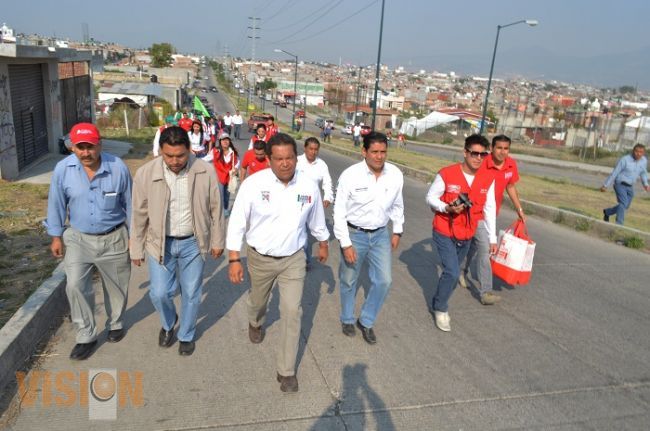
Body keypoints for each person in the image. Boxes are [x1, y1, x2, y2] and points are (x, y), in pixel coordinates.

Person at [226, 133, 329, 392]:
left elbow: (316, 220)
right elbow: (237, 221)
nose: (285, 164)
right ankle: (255, 321)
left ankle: (286, 371)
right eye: (279, 159)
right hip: (260, 258)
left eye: (290, 158)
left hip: (293, 259)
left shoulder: (307, 187)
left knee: (293, 312)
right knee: (258, 302)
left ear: (297, 158)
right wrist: (234, 258)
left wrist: (324, 241)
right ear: (269, 160)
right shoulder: (253, 185)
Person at [130, 126, 225, 356]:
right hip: (160, 243)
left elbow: (216, 208)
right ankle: (168, 321)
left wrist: (217, 240)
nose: (174, 161)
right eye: (169, 155)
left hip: (193, 242)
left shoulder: (205, 171)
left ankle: (186, 334)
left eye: (180, 155)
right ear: (161, 151)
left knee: (191, 292)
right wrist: (136, 247)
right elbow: (139, 212)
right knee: (160, 292)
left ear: (189, 150)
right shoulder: (146, 173)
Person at [45, 122, 132, 360]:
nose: (86, 152)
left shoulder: (118, 168)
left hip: (114, 237)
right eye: (80, 147)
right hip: (78, 239)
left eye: (90, 147)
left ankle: (115, 323)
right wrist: (55, 236)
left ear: (100, 145)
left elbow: (131, 203)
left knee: (117, 287)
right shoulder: (63, 169)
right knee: (74, 286)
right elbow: (56, 204)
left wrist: (134, 236)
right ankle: (86, 335)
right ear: (72, 147)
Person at [333, 132, 404, 345]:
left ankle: (366, 320)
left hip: (381, 234)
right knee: (349, 279)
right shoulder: (350, 175)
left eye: (383, 152)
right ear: (364, 152)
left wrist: (397, 230)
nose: (379, 157)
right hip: (355, 234)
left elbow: (397, 205)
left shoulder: (395, 174)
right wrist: (346, 244)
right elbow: (338, 212)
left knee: (384, 280)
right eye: (374, 152)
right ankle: (347, 318)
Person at [426, 134, 497, 332]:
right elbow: (431, 197)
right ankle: (440, 309)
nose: (478, 158)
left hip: (467, 233)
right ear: (465, 152)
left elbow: (489, 208)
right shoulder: (447, 174)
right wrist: (446, 207)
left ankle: (438, 299)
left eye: (483, 154)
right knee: (452, 271)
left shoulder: (487, 179)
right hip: (444, 229)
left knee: (451, 272)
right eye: (474, 153)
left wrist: (492, 238)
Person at [461, 134, 525, 304]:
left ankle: (461, 270)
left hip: (490, 211)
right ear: (492, 148)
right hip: (476, 212)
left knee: (474, 246)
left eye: (506, 149)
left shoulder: (511, 164)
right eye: (498, 148)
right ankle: (486, 292)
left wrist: (518, 208)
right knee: (485, 248)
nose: (502, 152)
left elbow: (510, 186)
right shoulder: (482, 163)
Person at [297, 137, 334, 266]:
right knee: (302, 232)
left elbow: (327, 182)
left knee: (306, 231)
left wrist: (328, 197)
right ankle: (304, 259)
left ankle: (304, 260)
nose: (313, 152)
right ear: (305, 148)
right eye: (310, 149)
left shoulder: (321, 164)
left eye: (316, 149)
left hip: (313, 202)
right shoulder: (297, 161)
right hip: (297, 201)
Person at [601, 143, 649, 225]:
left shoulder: (644, 161)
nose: (638, 154)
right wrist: (605, 185)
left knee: (625, 206)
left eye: (641, 152)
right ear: (633, 151)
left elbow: (643, 173)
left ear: (643, 153)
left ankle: (608, 212)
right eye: (637, 151)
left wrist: (646, 184)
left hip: (630, 186)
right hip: (620, 184)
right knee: (623, 203)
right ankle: (619, 224)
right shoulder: (625, 159)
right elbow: (615, 172)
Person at [203, 133, 240, 216]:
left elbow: (238, 161)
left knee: (227, 195)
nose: (225, 142)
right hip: (218, 176)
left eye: (227, 140)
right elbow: (206, 159)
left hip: (229, 177)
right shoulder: (215, 151)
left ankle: (225, 208)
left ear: (229, 141)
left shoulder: (233, 152)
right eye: (223, 140)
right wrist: (195, 161)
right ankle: (221, 210)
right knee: (220, 194)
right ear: (220, 141)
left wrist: (236, 168)